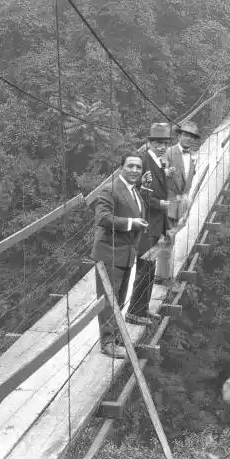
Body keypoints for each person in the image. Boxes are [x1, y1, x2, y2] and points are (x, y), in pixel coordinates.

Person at [91, 153, 148, 359]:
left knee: (119, 299)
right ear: (121, 167)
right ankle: (107, 342)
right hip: (109, 253)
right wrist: (132, 223)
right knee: (108, 299)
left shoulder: (134, 191)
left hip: (125, 254)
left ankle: (115, 336)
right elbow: (103, 218)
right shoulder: (110, 189)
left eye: (138, 168)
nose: (134, 170)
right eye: (130, 166)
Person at [127, 123, 173, 326]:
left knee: (150, 268)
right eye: (157, 142)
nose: (161, 146)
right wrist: (159, 204)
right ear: (149, 143)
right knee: (144, 267)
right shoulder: (144, 162)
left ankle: (143, 309)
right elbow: (138, 192)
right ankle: (134, 312)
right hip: (146, 224)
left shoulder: (158, 161)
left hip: (156, 224)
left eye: (164, 143)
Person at [166, 120, 201, 227]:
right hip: (166, 209)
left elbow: (187, 181)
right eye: (185, 135)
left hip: (181, 209)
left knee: (173, 240)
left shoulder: (194, 156)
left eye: (192, 136)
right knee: (162, 241)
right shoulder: (168, 152)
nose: (188, 138)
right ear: (179, 136)